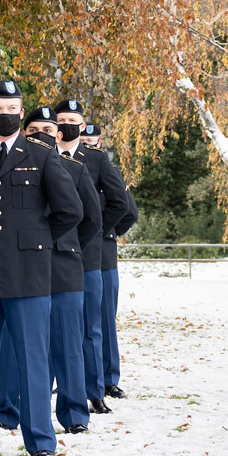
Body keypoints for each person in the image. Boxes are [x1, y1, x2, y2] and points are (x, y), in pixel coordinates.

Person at [0, 81, 82, 456]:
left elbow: (70, 210)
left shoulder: (42, 154)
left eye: (13, 108)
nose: (6, 114)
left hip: (28, 275)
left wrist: (40, 241)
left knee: (33, 362)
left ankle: (41, 441)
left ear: (21, 110)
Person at [0, 106, 99, 433]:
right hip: (21, 267)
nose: (43, 133)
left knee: (67, 344)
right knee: (14, 345)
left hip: (62, 265)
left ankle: (74, 414)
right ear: (24, 132)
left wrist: (65, 244)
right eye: (35, 128)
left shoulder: (76, 168)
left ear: (59, 135)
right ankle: (7, 410)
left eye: (49, 129)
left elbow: (91, 218)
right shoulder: (9, 164)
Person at [53, 99, 129, 414]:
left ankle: (95, 391)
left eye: (73, 119)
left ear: (82, 125)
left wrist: (93, 233)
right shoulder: (43, 156)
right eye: (62, 119)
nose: (67, 124)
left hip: (88, 256)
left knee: (90, 328)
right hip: (50, 255)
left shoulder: (96, 160)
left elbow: (120, 203)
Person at [82, 123, 139, 399]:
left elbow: (129, 211)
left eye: (91, 140)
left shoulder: (108, 169)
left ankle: (108, 378)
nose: (87, 143)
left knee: (103, 321)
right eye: (83, 139)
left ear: (99, 142)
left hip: (102, 256)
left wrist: (105, 231)